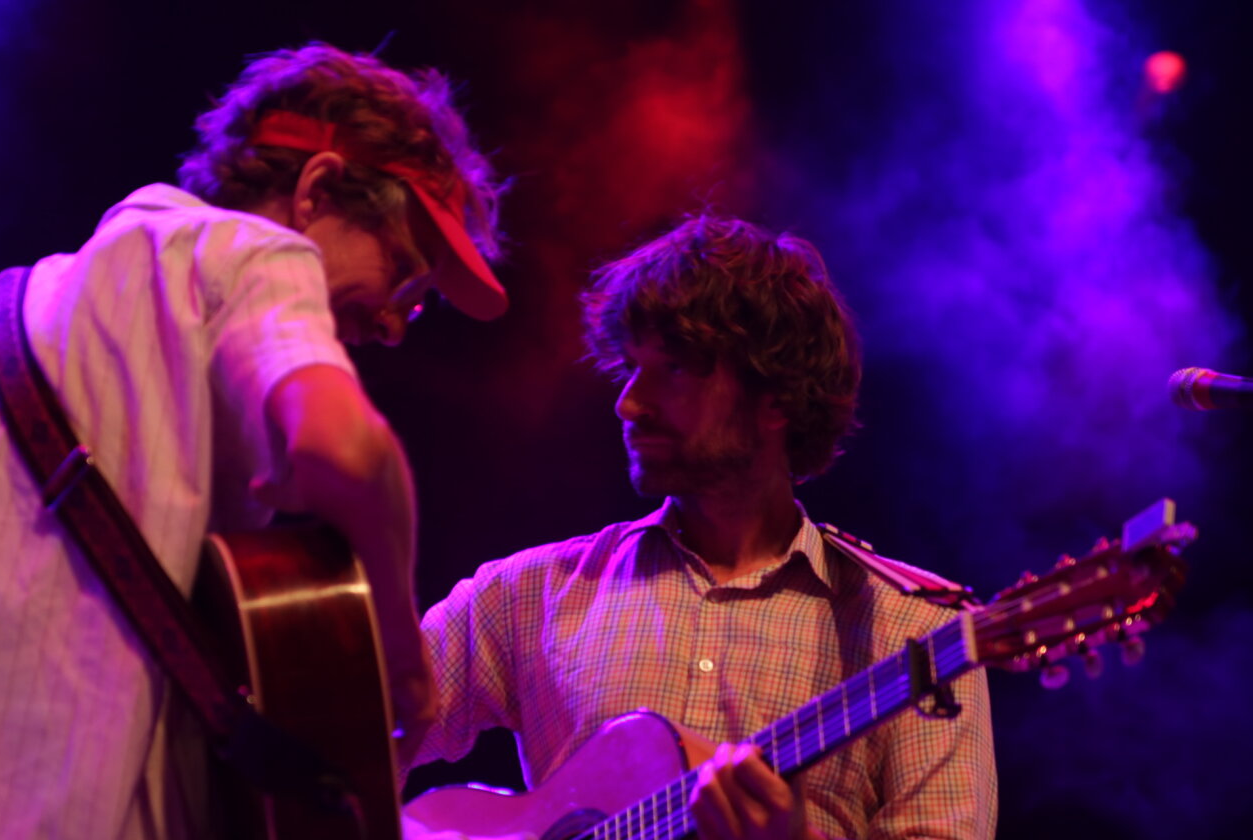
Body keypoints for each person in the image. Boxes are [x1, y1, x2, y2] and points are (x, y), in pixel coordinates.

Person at [0, 42, 505, 840]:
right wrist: (402, 659)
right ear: (319, 188)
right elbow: (346, 452)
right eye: (402, 274)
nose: (398, 326)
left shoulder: (43, 302)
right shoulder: (260, 256)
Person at [407, 216, 997, 839]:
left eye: (677, 369)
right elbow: (343, 736)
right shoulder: (530, 594)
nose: (629, 403)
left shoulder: (916, 629)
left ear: (776, 399)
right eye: (631, 368)